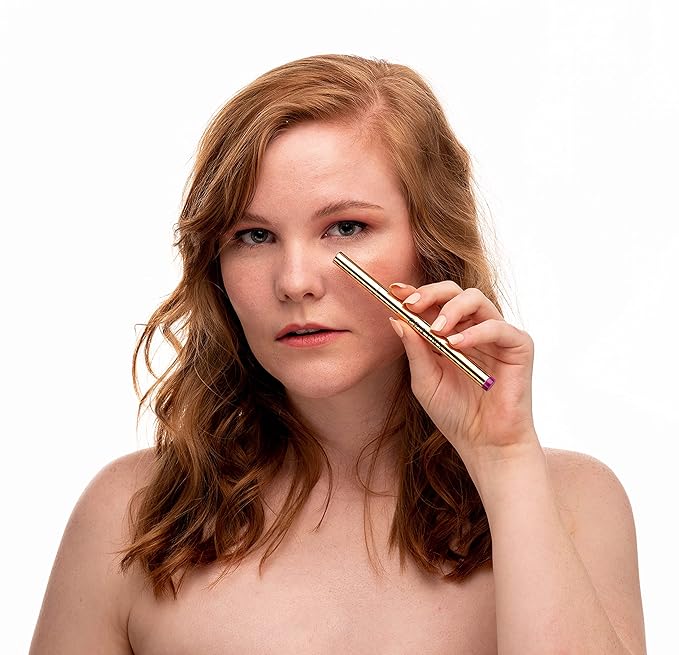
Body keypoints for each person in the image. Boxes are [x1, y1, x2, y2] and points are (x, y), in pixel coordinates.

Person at [30, 54, 646, 654]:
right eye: (254, 236)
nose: (295, 281)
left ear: (431, 244)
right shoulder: (130, 516)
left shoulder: (571, 504)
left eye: (346, 228)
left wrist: (504, 461)